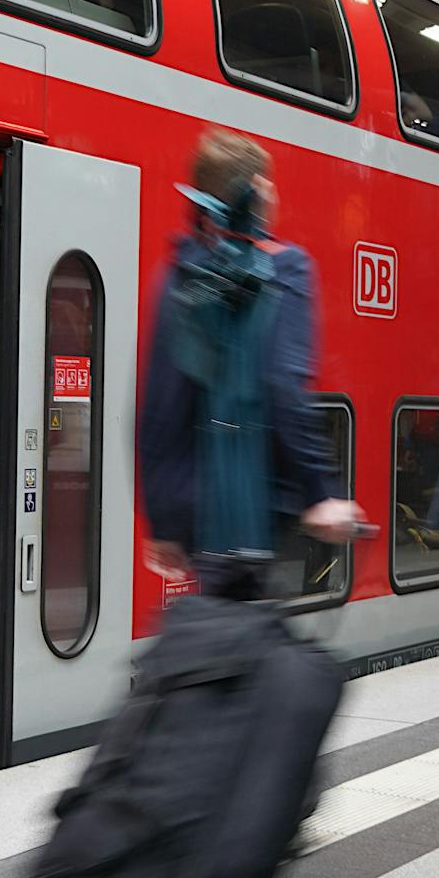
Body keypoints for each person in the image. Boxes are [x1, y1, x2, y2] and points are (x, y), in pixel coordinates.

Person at [138, 126, 365, 595]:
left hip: (192, 512)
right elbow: (283, 385)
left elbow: (157, 405)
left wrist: (163, 517)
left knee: (219, 637)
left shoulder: (178, 270)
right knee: (251, 647)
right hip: (253, 509)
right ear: (258, 192)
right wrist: (321, 495)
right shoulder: (285, 267)